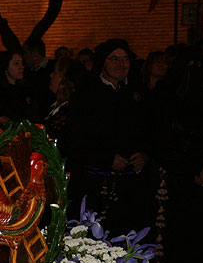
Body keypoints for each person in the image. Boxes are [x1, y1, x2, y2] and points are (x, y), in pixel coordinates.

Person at [64, 39, 156, 235]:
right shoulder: (86, 95)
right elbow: (74, 140)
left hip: (133, 187)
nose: (121, 64)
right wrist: (107, 159)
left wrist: (145, 154)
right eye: (114, 59)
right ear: (102, 63)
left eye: (125, 59)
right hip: (97, 186)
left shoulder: (138, 93)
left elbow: (152, 130)